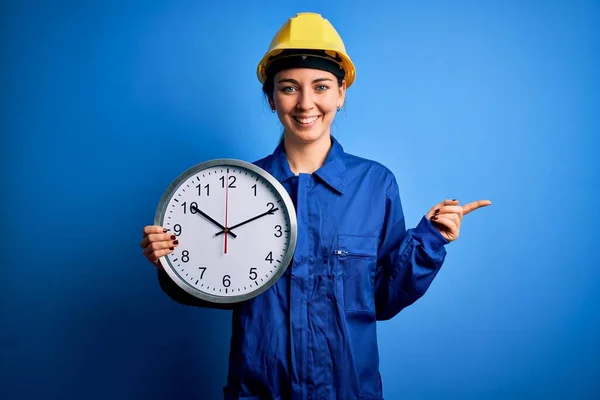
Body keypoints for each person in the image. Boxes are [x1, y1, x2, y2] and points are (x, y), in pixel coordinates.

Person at [140, 12, 491, 400]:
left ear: (341, 93)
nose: (306, 103)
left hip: (347, 390)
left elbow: (383, 299)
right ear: (271, 98)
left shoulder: (375, 184)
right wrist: (171, 261)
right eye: (289, 88)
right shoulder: (236, 187)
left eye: (321, 86)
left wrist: (429, 240)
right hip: (259, 390)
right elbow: (220, 285)